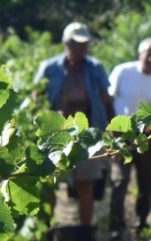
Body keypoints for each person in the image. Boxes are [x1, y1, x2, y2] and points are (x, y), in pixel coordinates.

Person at [35, 22, 114, 226]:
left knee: (86, 185)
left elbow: (106, 99)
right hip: (55, 134)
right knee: (50, 184)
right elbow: (36, 98)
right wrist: (47, 117)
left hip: (87, 135)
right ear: (66, 43)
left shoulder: (95, 68)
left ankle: (85, 230)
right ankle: (46, 230)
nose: (82, 48)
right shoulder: (50, 68)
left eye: (85, 44)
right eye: (77, 44)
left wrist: (113, 130)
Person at [106, 37, 151, 239]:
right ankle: (116, 226)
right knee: (120, 180)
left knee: (147, 180)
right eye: (148, 54)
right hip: (121, 135)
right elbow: (109, 100)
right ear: (139, 55)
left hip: (146, 136)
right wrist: (112, 131)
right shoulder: (123, 72)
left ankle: (141, 221)